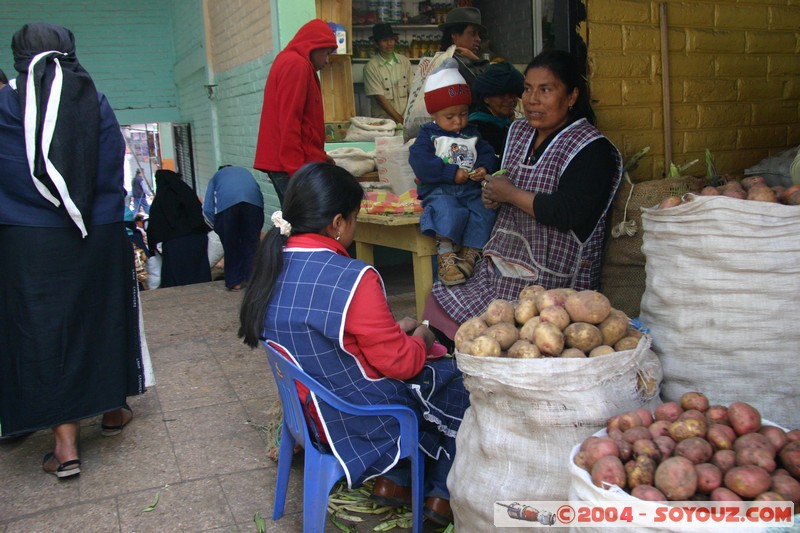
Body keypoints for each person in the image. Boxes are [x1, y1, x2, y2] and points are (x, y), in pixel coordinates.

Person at [238, 163, 468, 526]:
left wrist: (392, 330)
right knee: (459, 383)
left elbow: (333, 335)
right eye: (355, 218)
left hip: (309, 413)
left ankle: (396, 483)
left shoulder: (272, 265)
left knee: (423, 369)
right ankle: (441, 495)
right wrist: (422, 335)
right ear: (338, 223)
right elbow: (403, 364)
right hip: (356, 420)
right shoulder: (353, 277)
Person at [0, 22, 146, 475]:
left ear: (19, 57)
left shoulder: (5, 103)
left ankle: (65, 449)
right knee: (102, 318)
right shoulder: (93, 100)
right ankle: (112, 411)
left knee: (46, 333)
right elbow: (112, 169)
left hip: (29, 241)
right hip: (97, 233)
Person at [425, 49, 623, 338]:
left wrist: (510, 194)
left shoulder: (592, 148)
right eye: (528, 89)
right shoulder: (518, 131)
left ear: (571, 96)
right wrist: (492, 194)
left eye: (546, 90)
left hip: (553, 279)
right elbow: (503, 184)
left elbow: (567, 213)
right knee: (438, 301)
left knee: (486, 332)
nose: (532, 99)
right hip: (503, 259)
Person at [409, 59, 499, 286]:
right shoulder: (427, 135)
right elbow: (420, 162)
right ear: (435, 115)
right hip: (440, 191)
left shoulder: (473, 133)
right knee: (446, 210)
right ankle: (447, 256)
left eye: (463, 114)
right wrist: (450, 173)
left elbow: (488, 153)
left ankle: (470, 254)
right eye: (450, 117)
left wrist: (484, 168)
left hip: (469, 190)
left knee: (484, 210)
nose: (458, 121)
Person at [253, 19, 338, 206]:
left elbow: (303, 123)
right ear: (314, 46)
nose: (327, 60)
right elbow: (290, 121)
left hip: (290, 164)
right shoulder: (296, 64)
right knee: (305, 226)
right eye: (327, 52)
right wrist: (297, 171)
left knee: (299, 224)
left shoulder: (295, 62)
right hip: (290, 166)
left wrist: (319, 156)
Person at [202, 165, 265, 291]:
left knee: (231, 246)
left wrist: (218, 227)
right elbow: (259, 195)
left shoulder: (216, 177)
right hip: (254, 206)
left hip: (227, 208)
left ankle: (235, 282)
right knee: (252, 245)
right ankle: (253, 281)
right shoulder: (245, 171)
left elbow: (208, 208)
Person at [146, 169, 212, 288]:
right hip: (198, 239)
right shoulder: (187, 193)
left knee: (176, 278)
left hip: (175, 243)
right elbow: (199, 215)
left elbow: (154, 227)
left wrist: (152, 248)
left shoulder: (161, 199)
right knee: (198, 277)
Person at [468, 62, 525, 158]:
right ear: (486, 97)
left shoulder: (512, 125)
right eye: (502, 95)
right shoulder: (476, 130)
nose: (510, 100)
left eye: (513, 95)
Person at [363, 23, 412, 123]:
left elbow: (412, 92)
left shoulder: (404, 62)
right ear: (376, 44)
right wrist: (401, 120)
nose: (389, 44)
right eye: (384, 41)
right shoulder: (371, 67)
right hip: (383, 123)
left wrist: (410, 118)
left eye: (391, 40)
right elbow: (380, 99)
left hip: (405, 119)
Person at [437, 7, 490, 90]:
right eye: (473, 33)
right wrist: (478, 61)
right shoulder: (456, 60)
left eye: (479, 34)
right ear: (454, 35)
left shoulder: (442, 57)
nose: (478, 39)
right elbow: (489, 85)